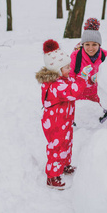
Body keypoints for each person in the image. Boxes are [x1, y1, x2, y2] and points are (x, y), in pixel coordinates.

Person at [35, 39, 93, 190]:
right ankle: (52, 176)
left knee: (66, 143)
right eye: (66, 67)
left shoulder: (62, 79)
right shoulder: (56, 85)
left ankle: (64, 165)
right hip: (55, 123)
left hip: (64, 121)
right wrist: (82, 78)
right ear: (57, 70)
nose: (69, 69)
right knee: (57, 147)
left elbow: (72, 80)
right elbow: (74, 91)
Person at [70, 18, 107, 123]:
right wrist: (82, 79)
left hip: (99, 100)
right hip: (79, 100)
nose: (91, 48)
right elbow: (70, 78)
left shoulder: (106, 56)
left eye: (94, 44)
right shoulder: (76, 56)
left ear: (99, 45)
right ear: (83, 44)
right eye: (87, 44)